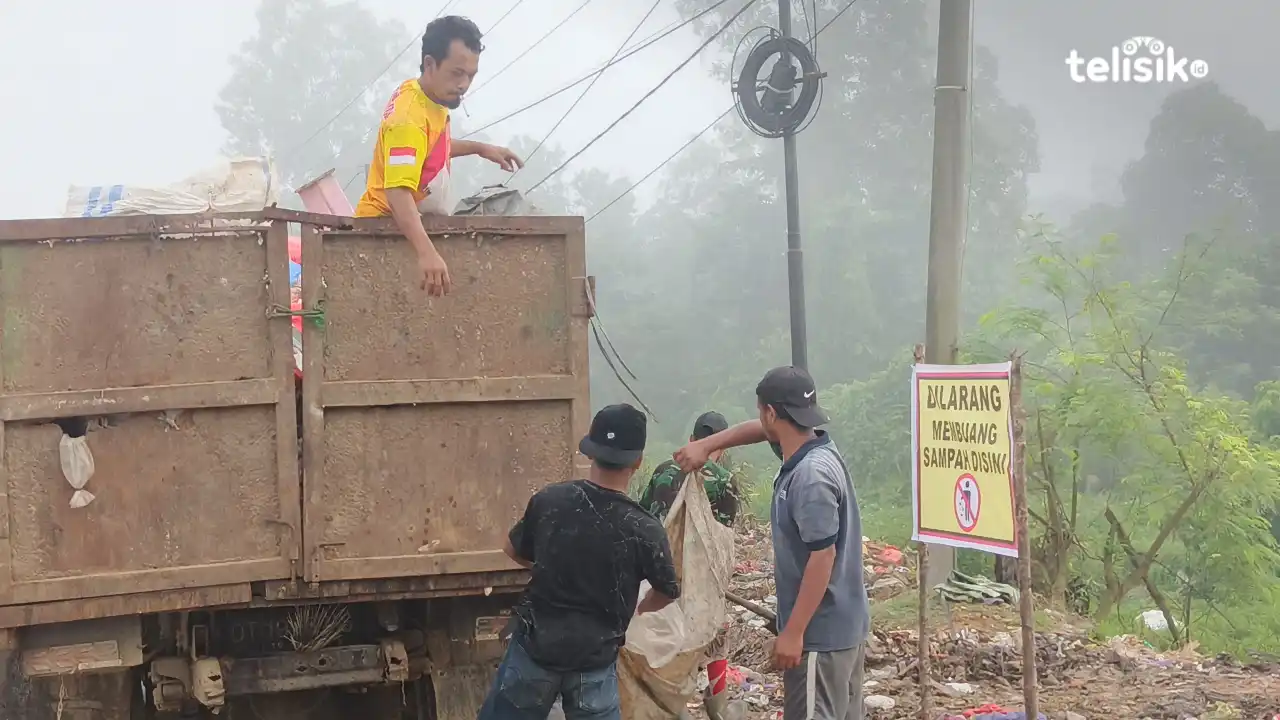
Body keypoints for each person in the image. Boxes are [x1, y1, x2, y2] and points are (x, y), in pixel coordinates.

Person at [673, 367, 869, 720]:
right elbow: (758, 430)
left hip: (818, 636)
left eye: (762, 412)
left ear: (771, 413)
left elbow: (822, 556)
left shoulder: (810, 477)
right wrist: (707, 444)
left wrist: (793, 633)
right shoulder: (814, 448)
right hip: (844, 628)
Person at [478, 403, 681, 720]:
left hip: (534, 653)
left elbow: (511, 547)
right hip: (594, 663)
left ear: (590, 452)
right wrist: (642, 608)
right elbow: (667, 590)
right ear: (638, 461)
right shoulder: (645, 529)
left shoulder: (551, 500)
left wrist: (547, 569)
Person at [354, 15, 524, 297]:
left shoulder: (427, 95)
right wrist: (427, 253)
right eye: (457, 73)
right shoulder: (408, 118)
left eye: (471, 75)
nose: (464, 84)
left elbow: (429, 147)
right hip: (383, 231)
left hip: (405, 229)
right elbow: (397, 192)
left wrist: (481, 149)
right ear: (430, 64)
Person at [637, 410, 741, 720]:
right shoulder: (723, 480)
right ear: (719, 446)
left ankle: (669, 707)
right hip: (699, 582)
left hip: (656, 579)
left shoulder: (663, 471)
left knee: (662, 644)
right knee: (715, 637)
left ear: (692, 440)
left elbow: (644, 517)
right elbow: (723, 539)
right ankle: (718, 709)